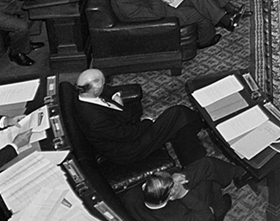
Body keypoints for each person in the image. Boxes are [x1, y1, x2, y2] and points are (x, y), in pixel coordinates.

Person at [75, 67, 206, 164]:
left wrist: (116, 95)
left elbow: (107, 90)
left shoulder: (84, 94)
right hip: (130, 149)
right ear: (96, 87)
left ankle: (195, 160)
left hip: (125, 132)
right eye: (102, 84)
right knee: (177, 113)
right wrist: (148, 122)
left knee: (179, 124)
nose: (105, 86)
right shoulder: (95, 120)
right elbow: (128, 135)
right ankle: (202, 121)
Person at [122, 156, 242, 221]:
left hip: (164, 206)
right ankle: (219, 209)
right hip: (183, 212)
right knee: (207, 180)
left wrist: (174, 176)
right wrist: (183, 194)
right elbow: (206, 215)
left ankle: (236, 173)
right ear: (170, 196)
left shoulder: (131, 196)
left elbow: (156, 181)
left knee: (206, 164)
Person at [111, 0, 222, 49]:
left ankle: (221, 18)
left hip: (161, 4)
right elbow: (157, 14)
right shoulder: (127, 9)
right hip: (163, 16)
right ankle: (205, 40)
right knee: (198, 13)